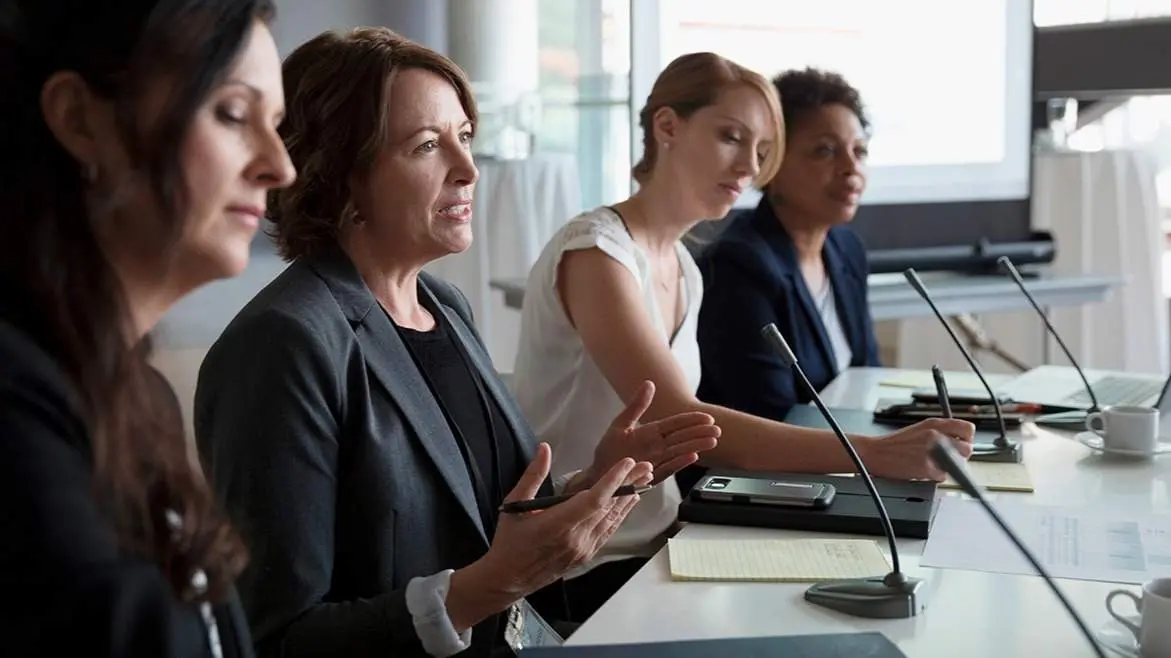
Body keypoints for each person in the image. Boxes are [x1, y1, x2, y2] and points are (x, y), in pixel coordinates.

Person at [193, 28, 720, 658]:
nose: (468, 169)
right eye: (425, 146)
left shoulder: (444, 305)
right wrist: (493, 585)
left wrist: (590, 485)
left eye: (464, 137)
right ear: (339, 174)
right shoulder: (284, 344)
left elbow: (481, 518)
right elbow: (280, 639)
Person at [511, 52, 976, 619]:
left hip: (659, 544)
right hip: (579, 564)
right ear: (667, 127)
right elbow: (678, 421)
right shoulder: (596, 251)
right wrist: (875, 455)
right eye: (731, 137)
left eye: (761, 152)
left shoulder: (684, 266)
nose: (748, 169)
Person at [0, 1, 295, 656]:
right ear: (80, 119)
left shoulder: (140, 401)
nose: (281, 166)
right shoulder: (17, 409)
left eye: (275, 125)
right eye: (232, 114)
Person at [697, 68, 879, 419]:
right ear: (770, 162)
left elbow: (869, 375)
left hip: (846, 453)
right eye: (825, 151)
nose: (850, 168)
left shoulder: (847, 249)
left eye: (859, 151)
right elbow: (767, 412)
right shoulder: (739, 264)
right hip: (770, 467)